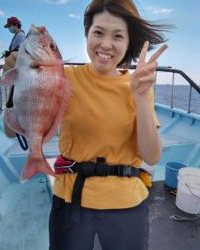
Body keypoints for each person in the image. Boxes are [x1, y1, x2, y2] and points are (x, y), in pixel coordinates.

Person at [47, 0, 170, 250]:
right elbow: (13, 128)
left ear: (128, 42)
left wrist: (140, 96)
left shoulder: (140, 85)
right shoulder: (63, 78)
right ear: (87, 34)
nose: (105, 44)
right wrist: (20, 81)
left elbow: (151, 155)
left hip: (126, 204)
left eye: (117, 36)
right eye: (98, 32)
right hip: (71, 199)